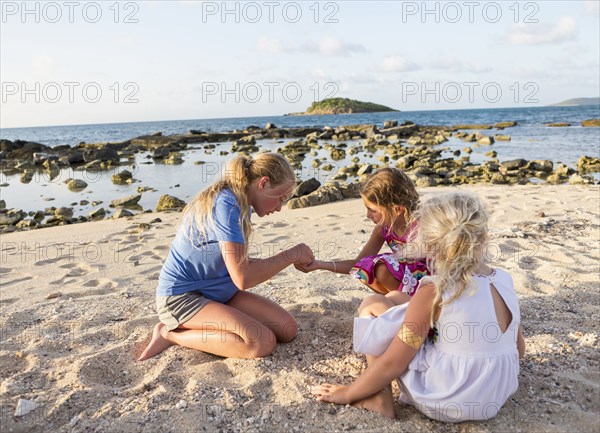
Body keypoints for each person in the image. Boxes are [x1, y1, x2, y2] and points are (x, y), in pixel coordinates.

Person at [311, 191, 526, 422]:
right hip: (496, 395)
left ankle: (378, 399)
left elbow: (393, 363)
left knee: (373, 304)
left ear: (429, 245)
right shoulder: (503, 279)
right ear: (483, 236)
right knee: (398, 298)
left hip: (445, 398)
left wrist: (347, 393)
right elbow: (519, 350)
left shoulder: (434, 290)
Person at [138, 153, 314, 361]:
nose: (279, 208)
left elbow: (237, 265)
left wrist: (288, 258)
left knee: (287, 329)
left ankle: (210, 320)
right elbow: (243, 278)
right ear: (264, 183)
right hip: (182, 298)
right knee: (261, 342)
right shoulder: (226, 204)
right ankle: (170, 334)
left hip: (218, 290)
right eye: (281, 198)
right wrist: (291, 255)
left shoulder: (243, 203)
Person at [296, 167, 428, 310]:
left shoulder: (424, 225)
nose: (367, 215)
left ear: (397, 209)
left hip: (433, 284)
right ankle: (397, 306)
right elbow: (357, 264)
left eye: (372, 210)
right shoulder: (383, 229)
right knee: (366, 266)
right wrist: (320, 264)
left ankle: (412, 307)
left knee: (383, 266)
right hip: (409, 283)